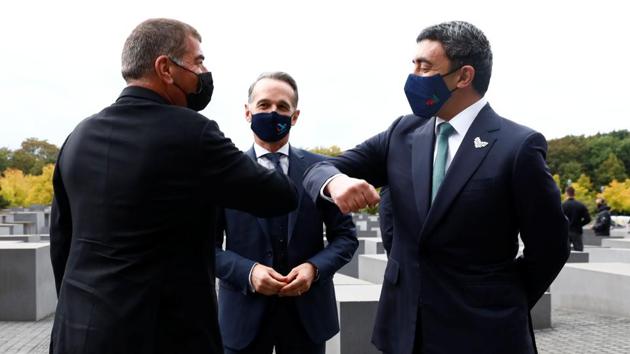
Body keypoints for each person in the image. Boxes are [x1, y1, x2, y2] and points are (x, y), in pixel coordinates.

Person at [303, 21, 569, 354]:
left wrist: (503, 299)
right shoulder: (402, 132)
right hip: (404, 333)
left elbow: (551, 246)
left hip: (484, 333)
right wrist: (335, 181)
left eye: (424, 67)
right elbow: (316, 168)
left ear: (463, 76)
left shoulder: (518, 146)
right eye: (412, 65)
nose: (413, 76)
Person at [49, 19, 298, 354]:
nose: (204, 71)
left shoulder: (77, 137)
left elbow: (61, 242)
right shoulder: (192, 133)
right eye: (197, 61)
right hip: (162, 335)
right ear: (165, 68)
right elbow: (278, 196)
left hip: (78, 331)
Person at [215, 72, 358, 354]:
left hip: (307, 318)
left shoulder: (322, 170)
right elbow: (203, 247)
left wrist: (313, 269)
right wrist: (249, 272)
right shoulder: (223, 173)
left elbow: (345, 238)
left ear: (295, 116)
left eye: (282, 107)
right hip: (243, 318)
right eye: (264, 105)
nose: (272, 113)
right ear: (248, 112)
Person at [561, 186, 591, 251]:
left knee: (564, 251)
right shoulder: (580, 205)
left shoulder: (563, 205)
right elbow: (588, 219)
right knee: (579, 251)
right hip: (577, 231)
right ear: (574, 193)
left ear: (566, 193)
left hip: (566, 231)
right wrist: (580, 224)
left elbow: (558, 218)